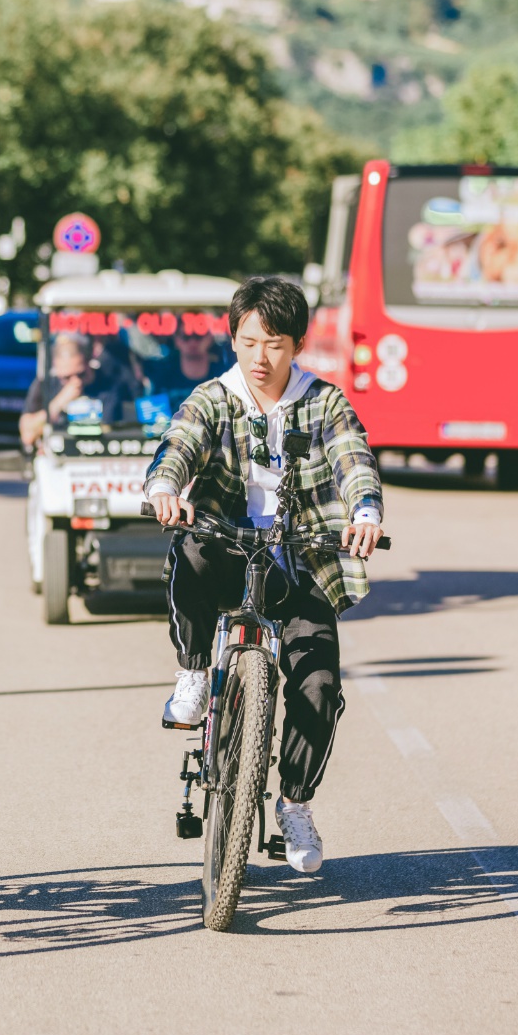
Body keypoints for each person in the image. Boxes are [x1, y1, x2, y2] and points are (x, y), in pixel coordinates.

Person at [144, 276, 383, 876]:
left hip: (301, 560)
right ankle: (194, 673)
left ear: (297, 345)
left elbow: (353, 457)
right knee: (191, 548)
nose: (260, 357)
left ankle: (295, 803)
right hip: (229, 547)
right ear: (233, 340)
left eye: (274, 344)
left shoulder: (324, 401)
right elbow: (181, 442)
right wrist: (166, 485)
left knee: (319, 684)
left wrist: (365, 512)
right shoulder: (214, 397)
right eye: (248, 342)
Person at [17, 332, 137, 448]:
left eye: (81, 374)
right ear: (57, 370)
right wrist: (59, 402)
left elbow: (115, 432)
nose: (76, 382)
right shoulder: (46, 385)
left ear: (89, 363)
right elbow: (27, 435)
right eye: (67, 377)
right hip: (57, 455)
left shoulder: (108, 386)